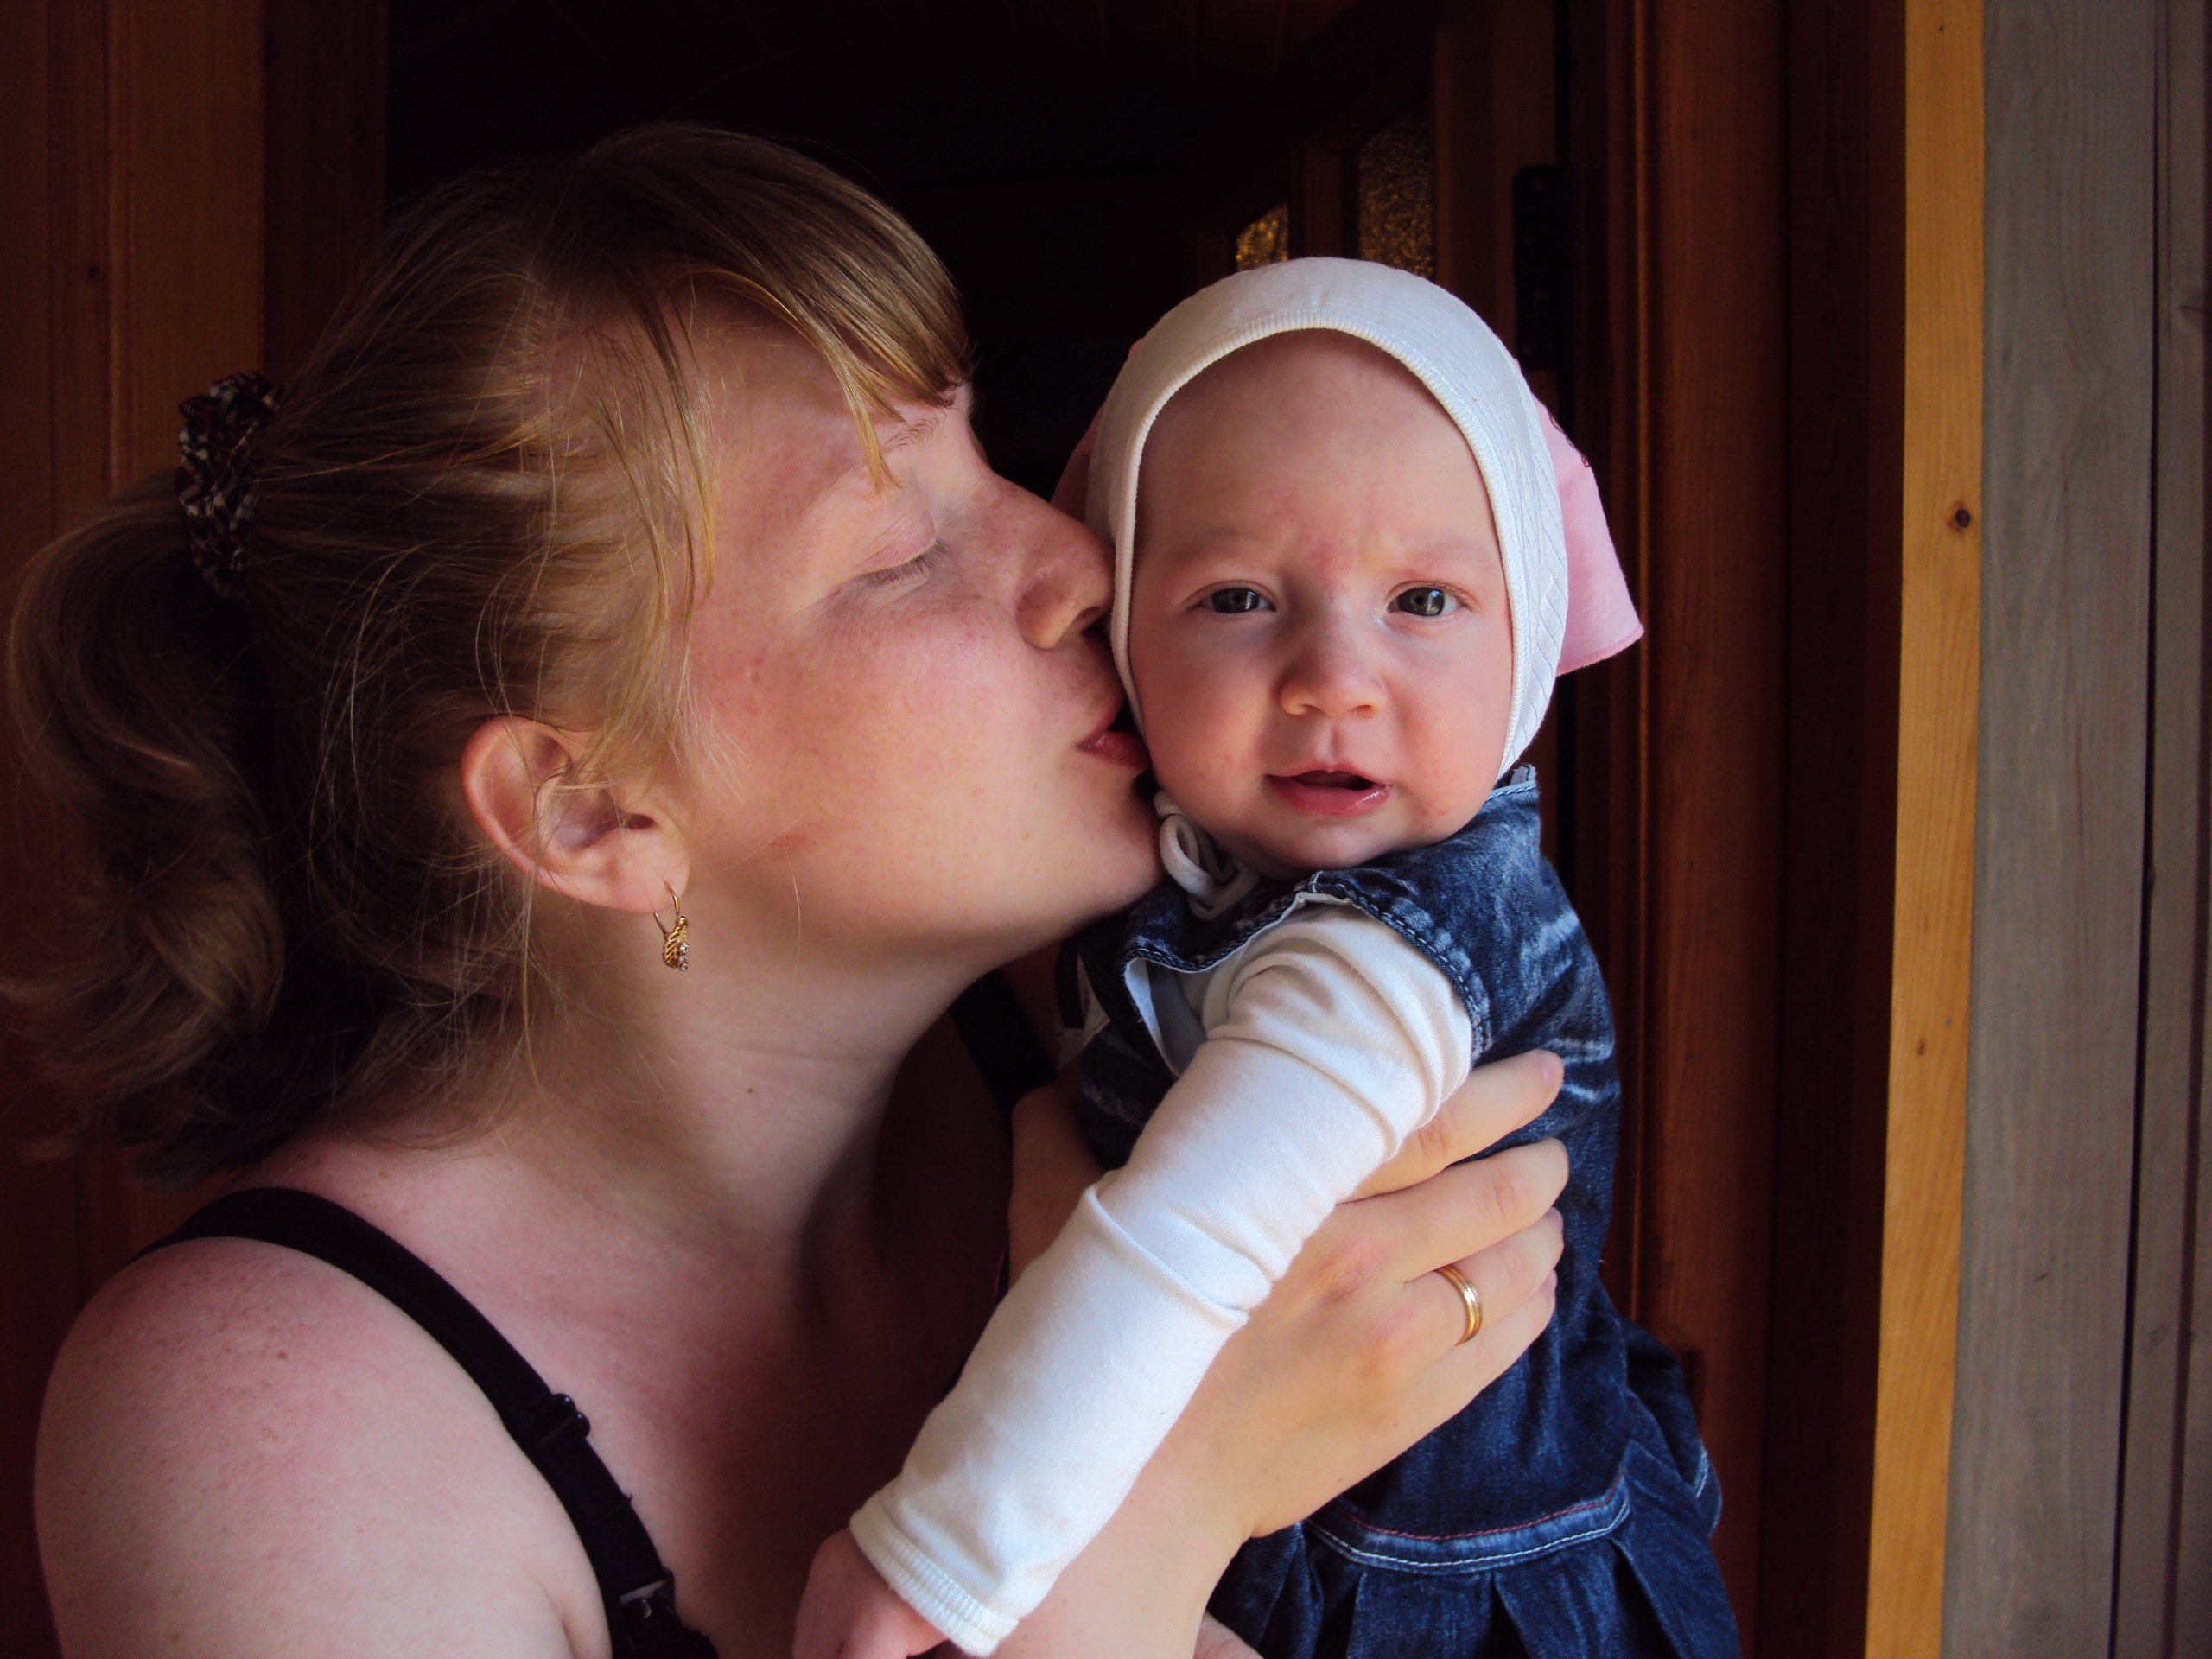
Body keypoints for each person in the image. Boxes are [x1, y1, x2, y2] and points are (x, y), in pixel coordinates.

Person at [12, 130, 1573, 1659]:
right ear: (592, 811)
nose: (1079, 559)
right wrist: (1153, 1511)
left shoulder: (1141, 1028)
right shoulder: (260, 1423)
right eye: (900, 550)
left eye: (982, 455)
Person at [798, 261, 1734, 1659]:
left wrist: (939, 1548)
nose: (1333, 677)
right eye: (1237, 597)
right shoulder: (1181, 883)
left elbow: (1187, 1235)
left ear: (1529, 634)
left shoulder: (1420, 932)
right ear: (1124, 628)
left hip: (1448, 1603)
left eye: (1426, 600)